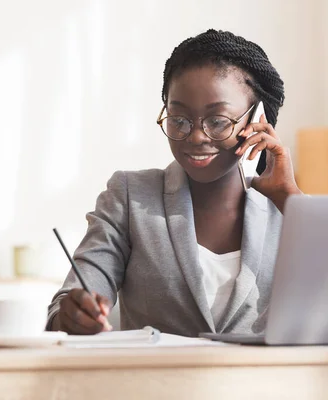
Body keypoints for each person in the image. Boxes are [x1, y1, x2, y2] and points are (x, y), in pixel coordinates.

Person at [47, 29, 302, 337]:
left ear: (257, 120)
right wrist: (73, 313)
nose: (195, 136)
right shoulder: (131, 197)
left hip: (263, 385)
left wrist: (291, 200)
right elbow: (71, 299)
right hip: (156, 383)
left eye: (218, 120)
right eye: (179, 119)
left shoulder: (287, 211)